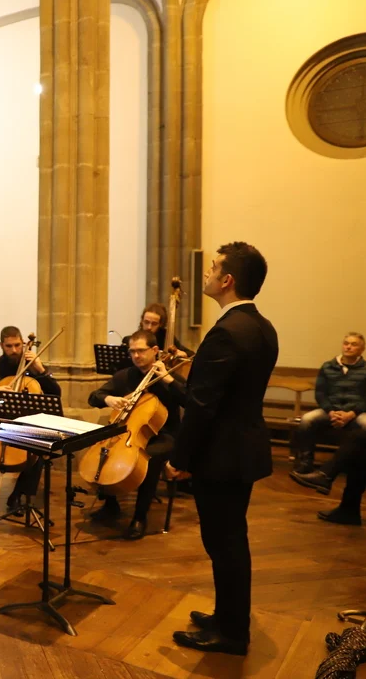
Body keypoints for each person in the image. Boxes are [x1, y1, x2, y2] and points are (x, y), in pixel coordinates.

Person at [166, 241, 277, 656]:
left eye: (212, 267)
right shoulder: (261, 326)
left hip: (221, 455)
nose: (207, 273)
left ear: (227, 280)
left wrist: (180, 458)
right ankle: (227, 616)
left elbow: (202, 405)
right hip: (242, 449)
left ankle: (231, 633)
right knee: (230, 540)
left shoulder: (226, 332)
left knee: (224, 544)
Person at [88, 330, 187, 539]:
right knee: (105, 450)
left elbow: (189, 400)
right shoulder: (125, 376)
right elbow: (94, 396)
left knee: (148, 457)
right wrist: (108, 399)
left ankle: (140, 517)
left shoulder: (169, 376)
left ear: (154, 350)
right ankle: (111, 504)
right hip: (129, 432)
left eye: (141, 351)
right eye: (132, 351)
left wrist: (168, 379)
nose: (136, 356)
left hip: (164, 434)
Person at [0, 326, 61, 509]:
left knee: (43, 443)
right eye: (9, 346)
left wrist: (41, 370)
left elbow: (56, 393)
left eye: (17, 345)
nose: (14, 350)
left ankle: (19, 494)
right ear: (1, 345)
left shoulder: (33, 366)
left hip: (28, 423)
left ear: (23, 343)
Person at [289, 333, 366, 475]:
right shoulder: (328, 366)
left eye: (354, 344)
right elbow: (320, 393)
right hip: (330, 410)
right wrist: (331, 412)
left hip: (357, 412)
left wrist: (350, 414)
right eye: (346, 343)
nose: (348, 347)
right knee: (307, 420)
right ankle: (305, 462)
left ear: (362, 349)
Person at [123, 303, 193, 358]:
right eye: (146, 322)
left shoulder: (165, 337)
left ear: (160, 324)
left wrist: (183, 353)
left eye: (154, 324)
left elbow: (192, 354)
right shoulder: (132, 340)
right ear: (142, 321)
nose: (149, 327)